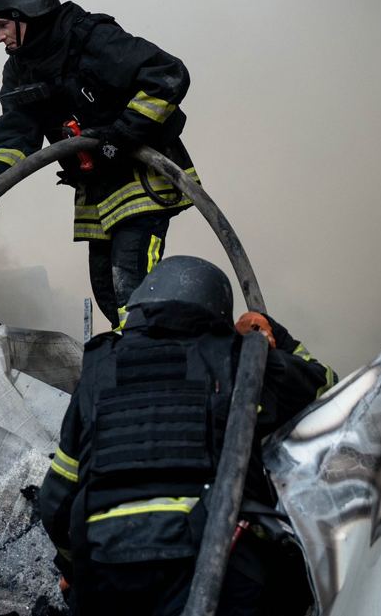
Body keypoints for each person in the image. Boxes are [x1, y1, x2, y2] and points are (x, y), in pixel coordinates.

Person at [37, 256, 333, 615]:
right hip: (217, 565)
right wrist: (275, 336)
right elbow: (327, 388)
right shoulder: (240, 359)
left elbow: (55, 502)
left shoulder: (98, 373)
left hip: (109, 572)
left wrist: (74, 570)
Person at [0, 0, 198, 328]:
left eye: (2, 26)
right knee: (108, 292)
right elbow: (16, 138)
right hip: (98, 189)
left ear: (25, 15)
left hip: (141, 178)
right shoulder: (20, 71)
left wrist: (120, 135)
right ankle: (131, 353)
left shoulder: (91, 39)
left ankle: (153, 356)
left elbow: (167, 75)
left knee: (132, 287)